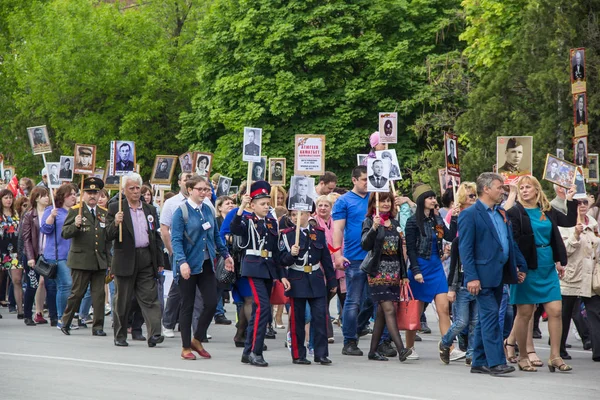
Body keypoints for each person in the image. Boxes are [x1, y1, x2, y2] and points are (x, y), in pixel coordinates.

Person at [506, 176, 576, 373]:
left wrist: (570, 198)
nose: (525, 190)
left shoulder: (547, 210)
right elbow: (504, 223)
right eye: (522, 187)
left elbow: (569, 220)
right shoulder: (516, 212)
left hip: (546, 264)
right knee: (525, 313)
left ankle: (555, 356)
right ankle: (522, 356)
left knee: (555, 310)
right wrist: (511, 194)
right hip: (526, 265)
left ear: (537, 190)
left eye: (528, 187)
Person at [457, 172, 525, 375]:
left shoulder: (500, 213)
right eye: (499, 187)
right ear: (486, 189)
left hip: (499, 274)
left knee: (487, 318)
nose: (502, 191)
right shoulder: (469, 214)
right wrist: (472, 277)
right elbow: (465, 249)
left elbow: (509, 242)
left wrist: (518, 266)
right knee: (491, 318)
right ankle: (496, 362)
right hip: (481, 276)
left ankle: (478, 361)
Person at [171, 176, 234, 360]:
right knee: (187, 305)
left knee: (212, 302)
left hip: (206, 263)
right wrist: (181, 262)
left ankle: (197, 338)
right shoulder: (181, 211)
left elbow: (215, 236)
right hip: (188, 264)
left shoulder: (208, 209)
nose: (204, 193)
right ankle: (185, 347)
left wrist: (226, 255)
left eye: (206, 190)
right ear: (190, 190)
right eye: (200, 189)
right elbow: (176, 240)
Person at [230, 181, 291, 367]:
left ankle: (248, 351)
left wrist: (281, 275)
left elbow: (277, 253)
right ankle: (256, 351)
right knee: (263, 308)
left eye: (267, 203)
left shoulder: (273, 223)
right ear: (252, 205)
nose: (266, 207)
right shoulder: (247, 220)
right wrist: (241, 207)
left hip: (269, 269)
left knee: (259, 309)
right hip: (253, 268)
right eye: (262, 204)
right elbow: (235, 229)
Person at [106, 173, 166, 348]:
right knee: (123, 300)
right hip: (125, 259)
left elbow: (155, 236)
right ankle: (120, 334)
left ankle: (154, 333)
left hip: (146, 258)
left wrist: (159, 260)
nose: (135, 191)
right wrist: (115, 223)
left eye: (137, 188)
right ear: (124, 190)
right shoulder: (116, 208)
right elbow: (108, 235)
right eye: (131, 188)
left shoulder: (150, 209)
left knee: (150, 298)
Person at [404, 184, 457, 360]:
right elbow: (411, 249)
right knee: (416, 311)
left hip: (436, 266)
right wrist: (416, 270)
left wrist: (455, 218)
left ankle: (447, 346)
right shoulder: (412, 222)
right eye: (429, 197)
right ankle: (409, 347)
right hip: (420, 266)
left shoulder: (437, 219)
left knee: (443, 308)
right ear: (421, 201)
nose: (434, 200)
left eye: (434, 197)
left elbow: (450, 236)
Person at [279, 209, 337, 365]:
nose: (296, 217)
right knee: (297, 319)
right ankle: (298, 355)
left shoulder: (318, 232)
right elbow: (282, 260)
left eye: (301, 214)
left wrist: (332, 280)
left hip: (316, 278)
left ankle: (321, 353)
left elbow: (325, 257)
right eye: (293, 215)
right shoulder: (287, 235)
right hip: (297, 279)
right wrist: (291, 254)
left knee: (320, 317)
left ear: (308, 215)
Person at [360, 192, 412, 362]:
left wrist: (404, 275)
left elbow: (400, 252)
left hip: (394, 272)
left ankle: (373, 351)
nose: (386, 203)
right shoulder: (370, 221)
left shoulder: (395, 224)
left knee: (382, 314)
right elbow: (365, 245)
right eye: (382, 200)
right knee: (389, 309)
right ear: (374, 204)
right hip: (377, 272)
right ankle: (401, 348)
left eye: (388, 200)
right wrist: (374, 228)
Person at [59, 178, 110, 336]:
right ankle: (66, 322)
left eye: (95, 192)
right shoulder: (76, 211)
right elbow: (65, 233)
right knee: (77, 293)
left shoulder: (103, 213)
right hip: (81, 261)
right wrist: (75, 225)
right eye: (89, 192)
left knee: (99, 295)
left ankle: (98, 326)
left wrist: (109, 261)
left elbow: (106, 239)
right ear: (83, 194)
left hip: (98, 261)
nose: (92, 196)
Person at [332, 165, 370, 356]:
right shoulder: (343, 201)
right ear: (354, 180)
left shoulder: (376, 198)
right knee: (353, 301)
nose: (367, 182)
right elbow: (337, 228)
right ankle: (349, 340)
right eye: (364, 179)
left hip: (375, 258)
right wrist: (338, 253)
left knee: (373, 300)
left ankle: (360, 327)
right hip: (354, 257)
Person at [558, 195, 600, 362]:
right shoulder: (565, 222)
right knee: (564, 313)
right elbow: (564, 251)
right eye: (578, 202)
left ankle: (597, 351)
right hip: (572, 274)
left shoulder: (592, 222)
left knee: (595, 312)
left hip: (591, 276)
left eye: (584, 202)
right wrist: (575, 235)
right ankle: (559, 349)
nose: (582, 205)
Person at [41, 184, 77, 328]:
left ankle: (66, 316)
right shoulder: (52, 210)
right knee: (65, 284)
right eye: (71, 194)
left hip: (72, 255)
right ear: (63, 196)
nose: (74, 196)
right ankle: (62, 318)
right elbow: (45, 228)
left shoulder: (75, 211)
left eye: (75, 193)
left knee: (68, 286)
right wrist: (51, 217)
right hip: (57, 255)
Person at [22, 187, 54, 326]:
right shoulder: (29, 215)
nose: (47, 198)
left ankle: (54, 316)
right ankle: (27, 314)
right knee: (32, 285)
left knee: (50, 285)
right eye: (43, 196)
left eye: (47, 195)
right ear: (36, 198)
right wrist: (30, 257)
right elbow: (26, 238)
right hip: (33, 255)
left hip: (47, 254)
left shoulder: (51, 212)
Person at [0, 189, 23, 318]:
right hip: (1, 250)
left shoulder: (17, 214)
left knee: (17, 280)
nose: (8, 200)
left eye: (10, 197)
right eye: (5, 198)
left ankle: (20, 310)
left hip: (14, 251)